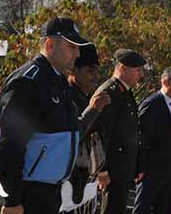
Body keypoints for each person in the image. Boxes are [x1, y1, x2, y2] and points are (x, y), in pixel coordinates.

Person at [0, 17, 107, 214]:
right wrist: (11, 199)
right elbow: (5, 145)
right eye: (72, 47)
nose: (77, 53)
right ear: (50, 44)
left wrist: (93, 111)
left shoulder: (58, 81)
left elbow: (70, 131)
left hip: (50, 192)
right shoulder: (28, 82)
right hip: (26, 194)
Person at [95, 48, 146, 214]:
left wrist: (136, 165)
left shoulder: (125, 91)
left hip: (123, 168)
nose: (141, 74)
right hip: (112, 169)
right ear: (122, 68)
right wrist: (102, 170)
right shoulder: (109, 91)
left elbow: (131, 132)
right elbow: (101, 134)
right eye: (137, 70)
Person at [61, 43, 109, 214]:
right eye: (89, 71)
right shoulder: (64, 99)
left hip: (89, 185)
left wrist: (103, 171)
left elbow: (98, 136)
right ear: (72, 71)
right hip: (68, 187)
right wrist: (93, 110)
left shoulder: (89, 96)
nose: (95, 76)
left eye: (97, 71)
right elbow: (70, 136)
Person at [134, 67, 171, 214]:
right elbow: (142, 137)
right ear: (165, 82)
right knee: (142, 209)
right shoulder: (152, 104)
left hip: (169, 170)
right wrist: (140, 168)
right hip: (150, 170)